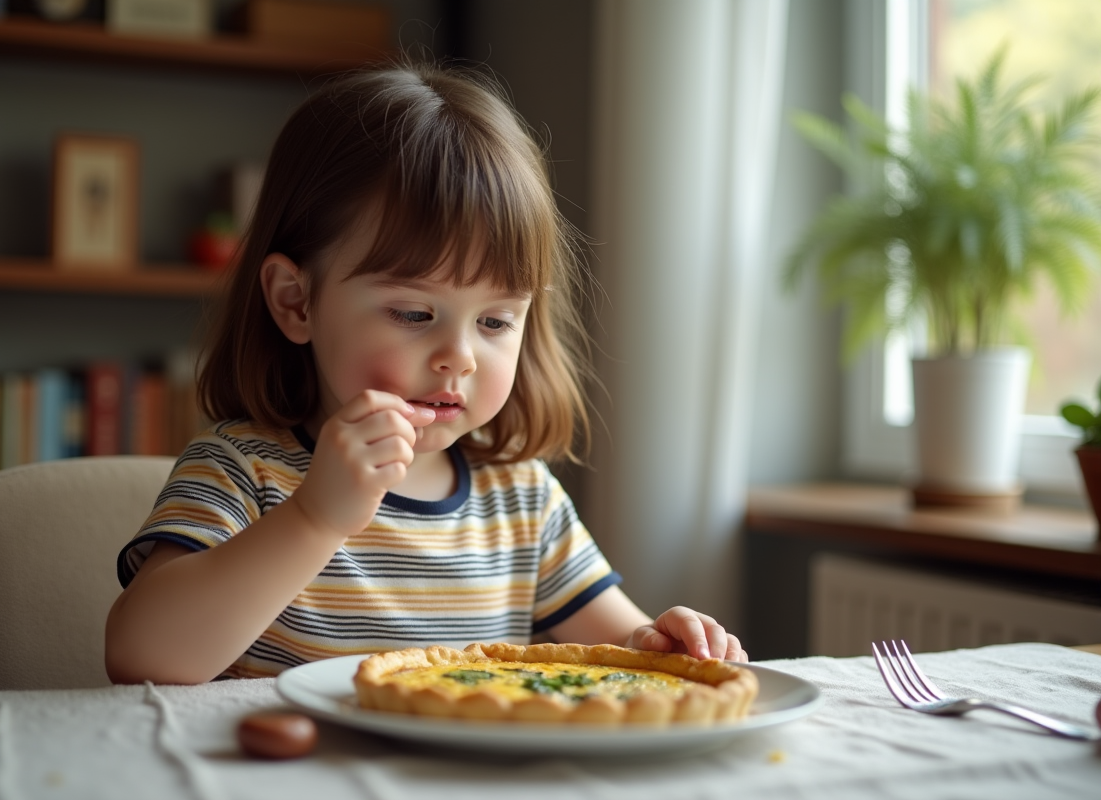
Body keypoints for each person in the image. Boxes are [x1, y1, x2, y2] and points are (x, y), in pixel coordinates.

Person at [104, 61, 747, 685]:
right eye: (414, 313)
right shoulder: (242, 473)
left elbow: (618, 646)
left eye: (495, 322)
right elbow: (143, 656)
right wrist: (314, 519)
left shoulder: (522, 501)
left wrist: (661, 642)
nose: (459, 356)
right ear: (296, 301)